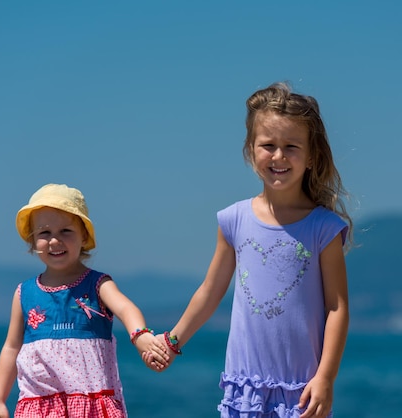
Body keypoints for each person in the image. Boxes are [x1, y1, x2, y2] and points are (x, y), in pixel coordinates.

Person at [147, 82, 353, 418]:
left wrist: (325, 378)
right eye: (268, 145)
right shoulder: (234, 219)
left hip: (301, 392)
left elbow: (337, 308)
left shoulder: (324, 227)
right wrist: (172, 342)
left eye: (291, 146)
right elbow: (210, 292)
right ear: (250, 150)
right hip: (244, 388)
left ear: (312, 155)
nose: (278, 156)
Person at [0, 183, 168, 418]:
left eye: (66, 231)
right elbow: (11, 347)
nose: (55, 241)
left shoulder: (97, 284)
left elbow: (126, 308)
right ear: (33, 240)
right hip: (39, 406)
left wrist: (140, 335)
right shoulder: (24, 293)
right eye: (45, 233)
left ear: (84, 236)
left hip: (91, 405)